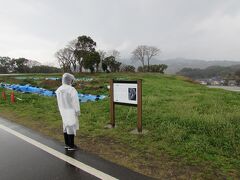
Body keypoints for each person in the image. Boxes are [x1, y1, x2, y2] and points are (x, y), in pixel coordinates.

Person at [56, 73, 80, 151]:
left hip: (63, 110)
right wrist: (77, 111)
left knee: (65, 126)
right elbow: (75, 102)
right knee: (71, 128)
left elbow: (59, 101)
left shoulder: (59, 89)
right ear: (70, 80)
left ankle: (67, 144)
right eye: (71, 80)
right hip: (70, 110)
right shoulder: (71, 89)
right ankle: (71, 145)